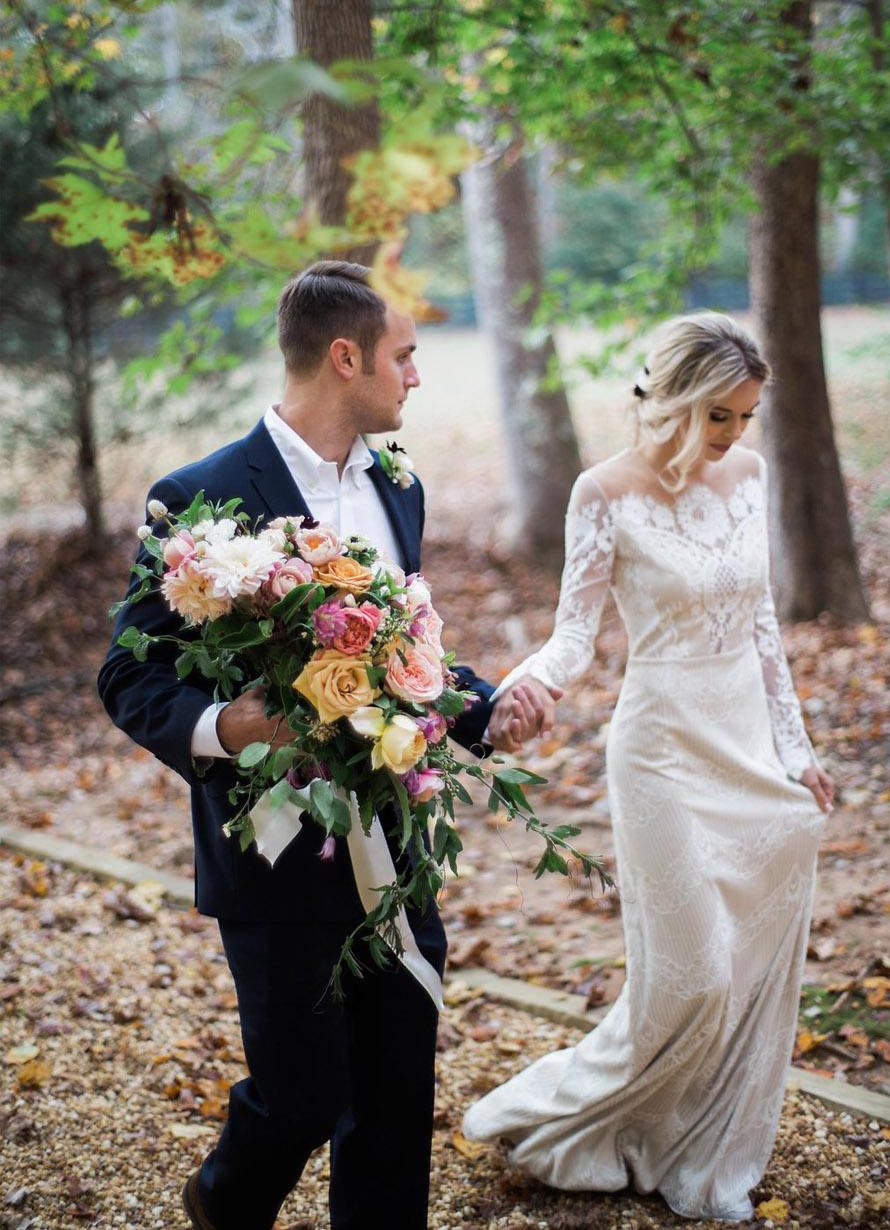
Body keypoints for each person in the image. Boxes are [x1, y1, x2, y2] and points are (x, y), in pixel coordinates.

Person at [98, 261, 559, 1230]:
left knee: (394, 1098)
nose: (417, 377)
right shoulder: (200, 498)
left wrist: (479, 711)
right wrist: (232, 726)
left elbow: (404, 646)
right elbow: (130, 678)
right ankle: (225, 1202)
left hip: (394, 838)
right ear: (346, 358)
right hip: (271, 848)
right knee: (303, 1095)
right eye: (406, 355)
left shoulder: (399, 487)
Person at [463, 313, 835, 1223]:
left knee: (742, 966)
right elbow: (574, 637)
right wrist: (516, 693)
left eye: (745, 418)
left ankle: (699, 1144)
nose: (734, 437)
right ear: (672, 401)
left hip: (746, 741)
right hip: (662, 750)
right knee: (691, 975)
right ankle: (559, 1117)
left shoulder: (747, 476)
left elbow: (762, 629)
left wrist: (798, 748)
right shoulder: (603, 492)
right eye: (720, 416)